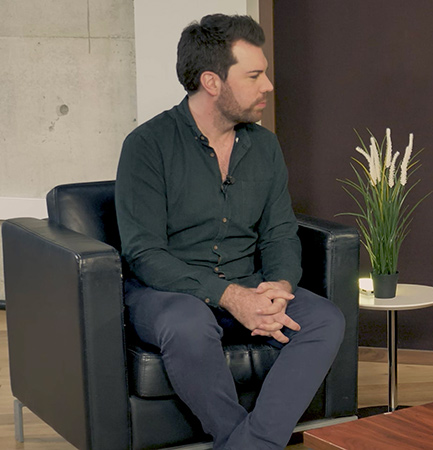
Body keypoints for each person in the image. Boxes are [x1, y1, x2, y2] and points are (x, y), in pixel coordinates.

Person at [115, 14, 345, 449]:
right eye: (254, 75)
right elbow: (144, 253)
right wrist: (230, 297)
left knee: (324, 320)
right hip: (166, 292)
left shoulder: (265, 146)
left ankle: (249, 445)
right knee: (187, 324)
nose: (268, 86)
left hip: (248, 281)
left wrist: (277, 287)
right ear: (212, 81)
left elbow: (279, 232)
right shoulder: (147, 146)